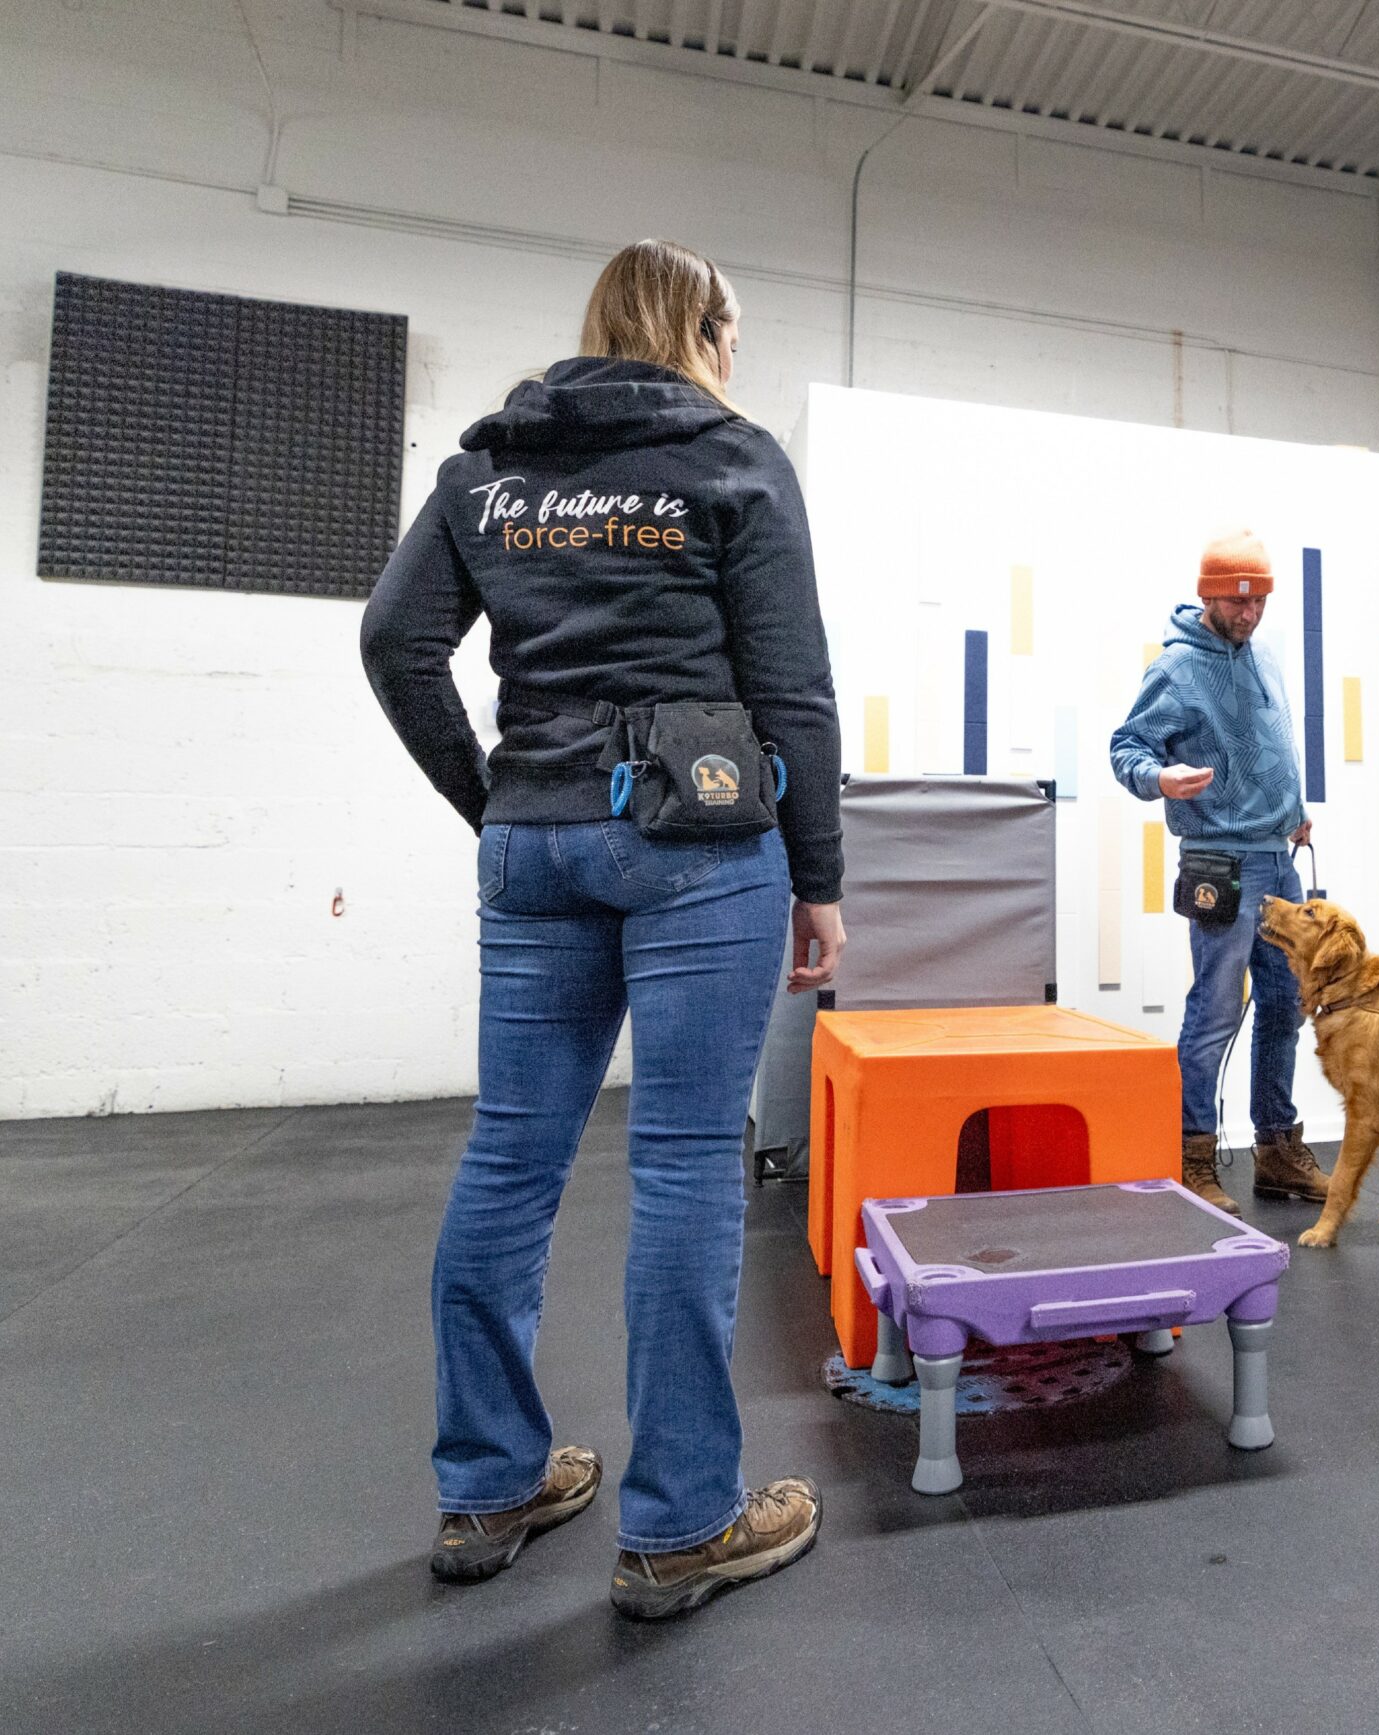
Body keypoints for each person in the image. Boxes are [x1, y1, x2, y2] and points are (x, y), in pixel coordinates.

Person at [360, 238, 841, 1621]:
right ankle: (681, 1523)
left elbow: (395, 644)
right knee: (687, 1161)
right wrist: (820, 876)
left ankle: (489, 1484)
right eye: (731, 332)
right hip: (700, 846)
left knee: (510, 1152)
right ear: (704, 325)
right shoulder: (732, 458)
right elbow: (791, 686)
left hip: (535, 842)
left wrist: (498, 798)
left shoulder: (485, 472)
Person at [1109, 531, 1331, 1211]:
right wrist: (1159, 778)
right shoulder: (1175, 668)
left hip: (1277, 856)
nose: (1250, 614)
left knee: (1285, 1005)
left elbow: (1266, 743)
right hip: (1219, 863)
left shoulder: (1263, 654)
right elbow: (1126, 748)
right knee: (1214, 1010)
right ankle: (1192, 1153)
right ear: (1209, 595)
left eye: (1260, 600)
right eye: (1239, 602)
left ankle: (1276, 1151)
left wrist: (1291, 809)